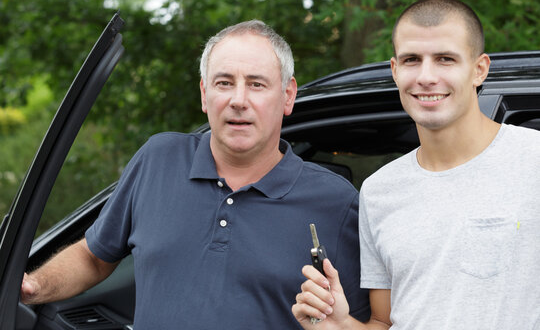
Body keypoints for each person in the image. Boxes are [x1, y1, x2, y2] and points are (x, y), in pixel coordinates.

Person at [21, 20, 371, 328]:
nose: (238, 99)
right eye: (223, 82)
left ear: (288, 95)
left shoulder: (336, 204)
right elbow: (93, 256)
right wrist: (31, 286)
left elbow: (352, 324)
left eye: (256, 84)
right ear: (205, 95)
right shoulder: (158, 160)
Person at [292, 0, 540, 329]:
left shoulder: (533, 160)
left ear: (479, 69)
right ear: (395, 71)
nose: (426, 76)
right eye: (412, 59)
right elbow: (384, 322)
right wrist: (338, 323)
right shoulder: (379, 192)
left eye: (445, 59)